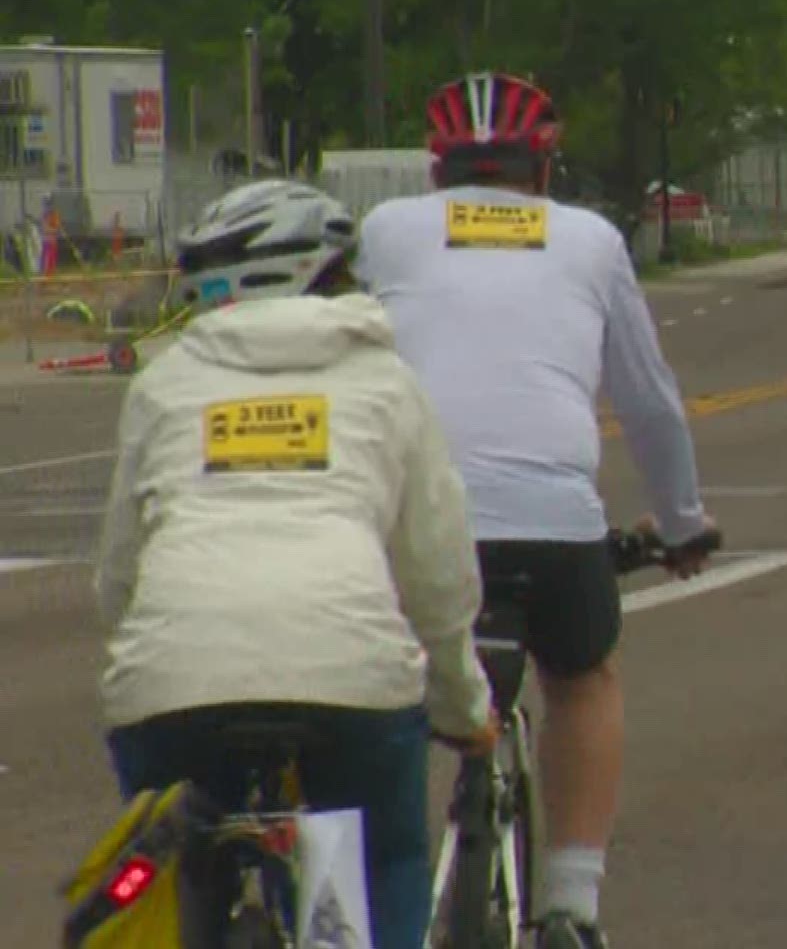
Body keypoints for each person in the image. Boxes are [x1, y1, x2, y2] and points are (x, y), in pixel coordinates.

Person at [355, 71, 719, 949]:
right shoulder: (590, 241)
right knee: (583, 677)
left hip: (413, 520)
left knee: (376, 693)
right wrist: (681, 522)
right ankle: (572, 907)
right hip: (553, 526)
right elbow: (651, 405)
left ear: (436, 172)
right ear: (544, 171)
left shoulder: (387, 233)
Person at [94, 179, 497, 949]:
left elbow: (118, 575)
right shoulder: (385, 380)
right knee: (390, 857)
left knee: (164, 863)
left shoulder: (165, 383)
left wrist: (145, 663)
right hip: (350, 678)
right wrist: (463, 707)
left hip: (174, 680)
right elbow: (438, 577)